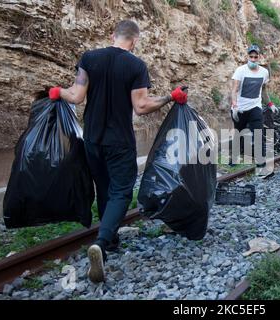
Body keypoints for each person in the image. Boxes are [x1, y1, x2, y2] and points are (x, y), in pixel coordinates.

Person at [48, 20, 188, 283]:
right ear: (134, 41)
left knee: (104, 188)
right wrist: (171, 97)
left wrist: (57, 92)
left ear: (113, 35)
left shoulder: (89, 58)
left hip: (91, 138)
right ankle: (101, 243)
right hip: (119, 141)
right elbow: (142, 106)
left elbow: (76, 96)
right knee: (122, 191)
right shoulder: (135, 65)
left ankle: (110, 241)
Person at [230, 44, 276, 175]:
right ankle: (234, 158)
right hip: (240, 108)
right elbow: (234, 90)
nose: (254, 59)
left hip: (255, 106)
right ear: (247, 57)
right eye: (251, 56)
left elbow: (264, 89)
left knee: (258, 133)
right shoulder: (240, 70)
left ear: (259, 57)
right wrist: (234, 105)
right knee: (238, 132)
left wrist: (270, 103)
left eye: (256, 57)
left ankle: (261, 161)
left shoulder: (264, 72)